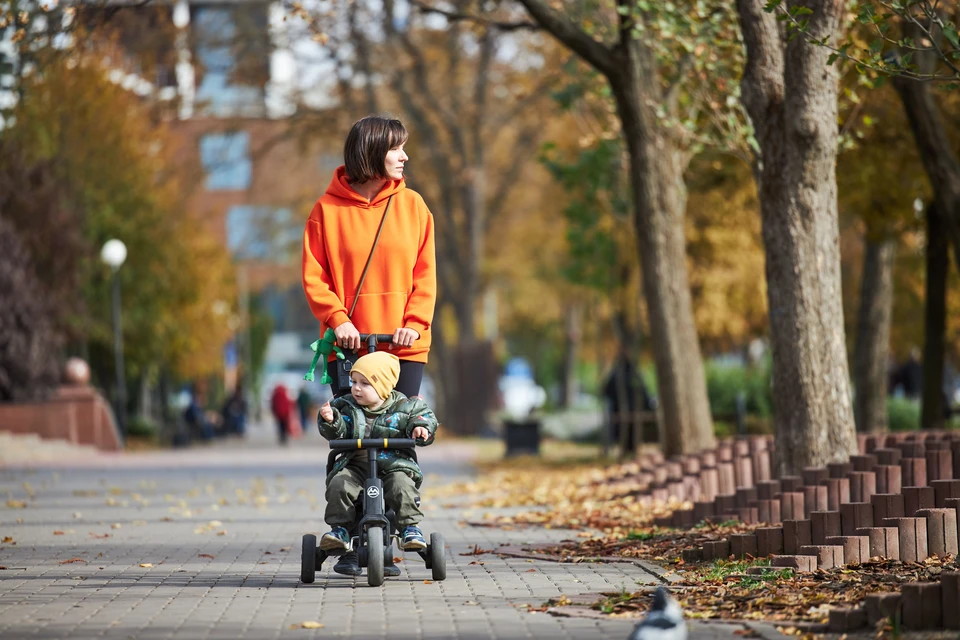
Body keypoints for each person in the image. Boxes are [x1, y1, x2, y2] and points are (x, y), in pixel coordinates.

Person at [301, 115, 437, 402]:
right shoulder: (326, 211)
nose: (405, 156)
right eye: (396, 149)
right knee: (352, 436)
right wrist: (338, 321)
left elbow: (425, 277)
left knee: (400, 436)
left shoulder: (414, 206)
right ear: (372, 152)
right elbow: (315, 278)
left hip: (403, 347)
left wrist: (413, 325)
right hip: (347, 346)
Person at [317, 351, 437, 578]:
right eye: (354, 382)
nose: (356, 388)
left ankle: (410, 528)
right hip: (356, 463)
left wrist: (421, 427)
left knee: (402, 486)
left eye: (365, 383)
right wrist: (330, 419)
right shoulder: (346, 405)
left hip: (392, 464)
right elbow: (338, 428)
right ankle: (340, 530)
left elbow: (424, 416)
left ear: (383, 387)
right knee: (339, 484)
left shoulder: (404, 406)